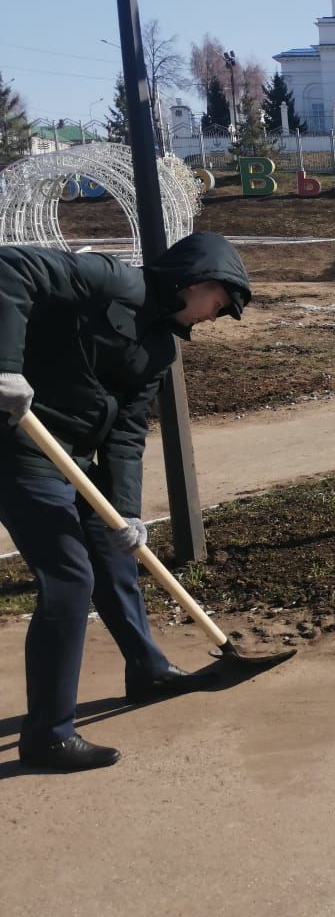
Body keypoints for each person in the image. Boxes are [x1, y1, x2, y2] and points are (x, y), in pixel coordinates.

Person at [0, 232, 251, 772]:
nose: (217, 315)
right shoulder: (110, 280)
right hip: (18, 445)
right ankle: (47, 736)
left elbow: (127, 433)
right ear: (200, 283)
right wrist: (5, 365)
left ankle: (148, 671)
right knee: (69, 579)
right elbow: (9, 267)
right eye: (221, 304)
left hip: (73, 454)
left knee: (116, 555)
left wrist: (127, 511)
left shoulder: (161, 346)